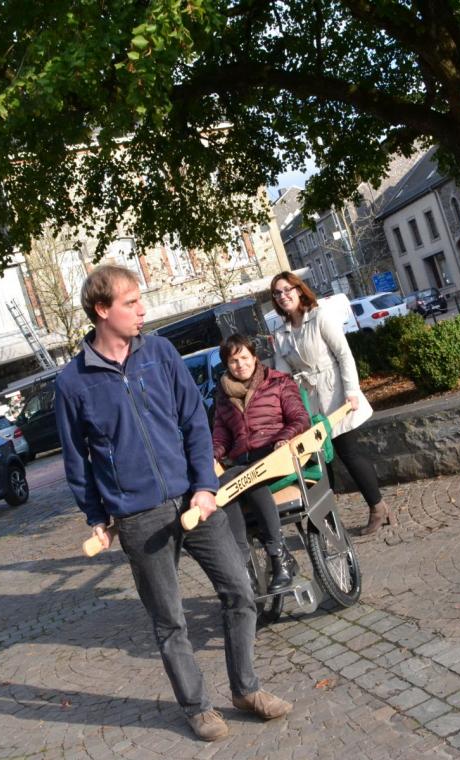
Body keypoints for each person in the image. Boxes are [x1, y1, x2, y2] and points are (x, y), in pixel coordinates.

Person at [54, 265, 291, 742]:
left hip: (194, 498)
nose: (143, 309)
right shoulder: (72, 383)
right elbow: (77, 459)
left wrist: (204, 485)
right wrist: (98, 517)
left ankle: (246, 689)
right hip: (139, 517)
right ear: (102, 311)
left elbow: (194, 423)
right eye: (131, 302)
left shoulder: (159, 353)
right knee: (169, 620)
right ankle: (197, 706)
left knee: (240, 592)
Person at [269, 271, 394, 535]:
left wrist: (352, 391)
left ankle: (378, 507)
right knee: (319, 463)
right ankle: (326, 521)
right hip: (308, 403)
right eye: (277, 293)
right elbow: (282, 379)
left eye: (287, 289)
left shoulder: (319, 316)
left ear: (299, 289)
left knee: (348, 452)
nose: (283, 296)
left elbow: (344, 355)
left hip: (335, 394)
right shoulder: (280, 335)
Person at [212, 334, 311, 592]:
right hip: (242, 461)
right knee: (224, 487)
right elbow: (221, 434)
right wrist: (211, 453)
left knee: (250, 480)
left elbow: (299, 418)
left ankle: (278, 558)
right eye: (233, 361)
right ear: (227, 364)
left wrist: (284, 438)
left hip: (276, 456)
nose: (240, 365)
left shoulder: (278, 382)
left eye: (244, 357)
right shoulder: (222, 395)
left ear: (254, 357)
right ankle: (243, 565)